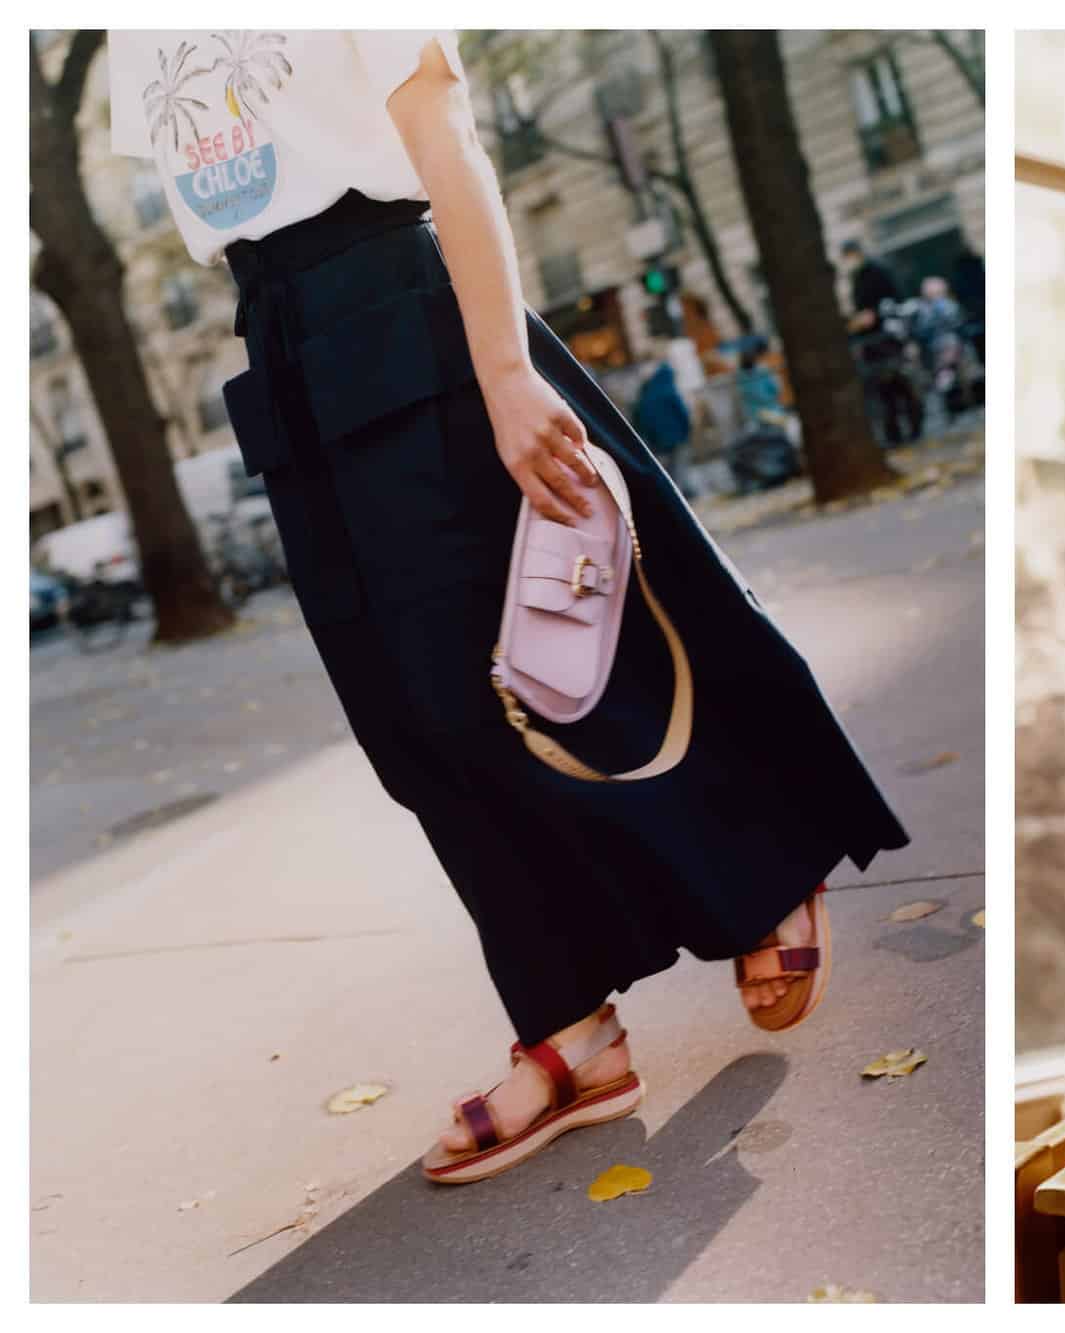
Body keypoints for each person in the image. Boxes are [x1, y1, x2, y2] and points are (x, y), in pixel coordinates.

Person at [107, 30, 909, 1184]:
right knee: (410, 728)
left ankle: (763, 857)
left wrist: (503, 370)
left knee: (541, 652)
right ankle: (570, 1031)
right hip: (280, 348)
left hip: (403, 306)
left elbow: (447, 137)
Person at [838, 239, 923, 444]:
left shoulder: (878, 272)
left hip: (887, 338)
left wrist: (874, 315)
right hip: (871, 342)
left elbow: (893, 302)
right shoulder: (856, 277)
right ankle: (894, 434)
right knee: (884, 391)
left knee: (900, 384)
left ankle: (913, 428)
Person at [631, 358, 693, 492]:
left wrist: (652, 437)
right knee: (679, 466)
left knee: (667, 469)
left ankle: (676, 491)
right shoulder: (670, 392)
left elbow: (644, 420)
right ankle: (680, 493)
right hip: (677, 436)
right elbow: (682, 413)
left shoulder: (647, 396)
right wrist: (687, 430)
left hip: (658, 441)